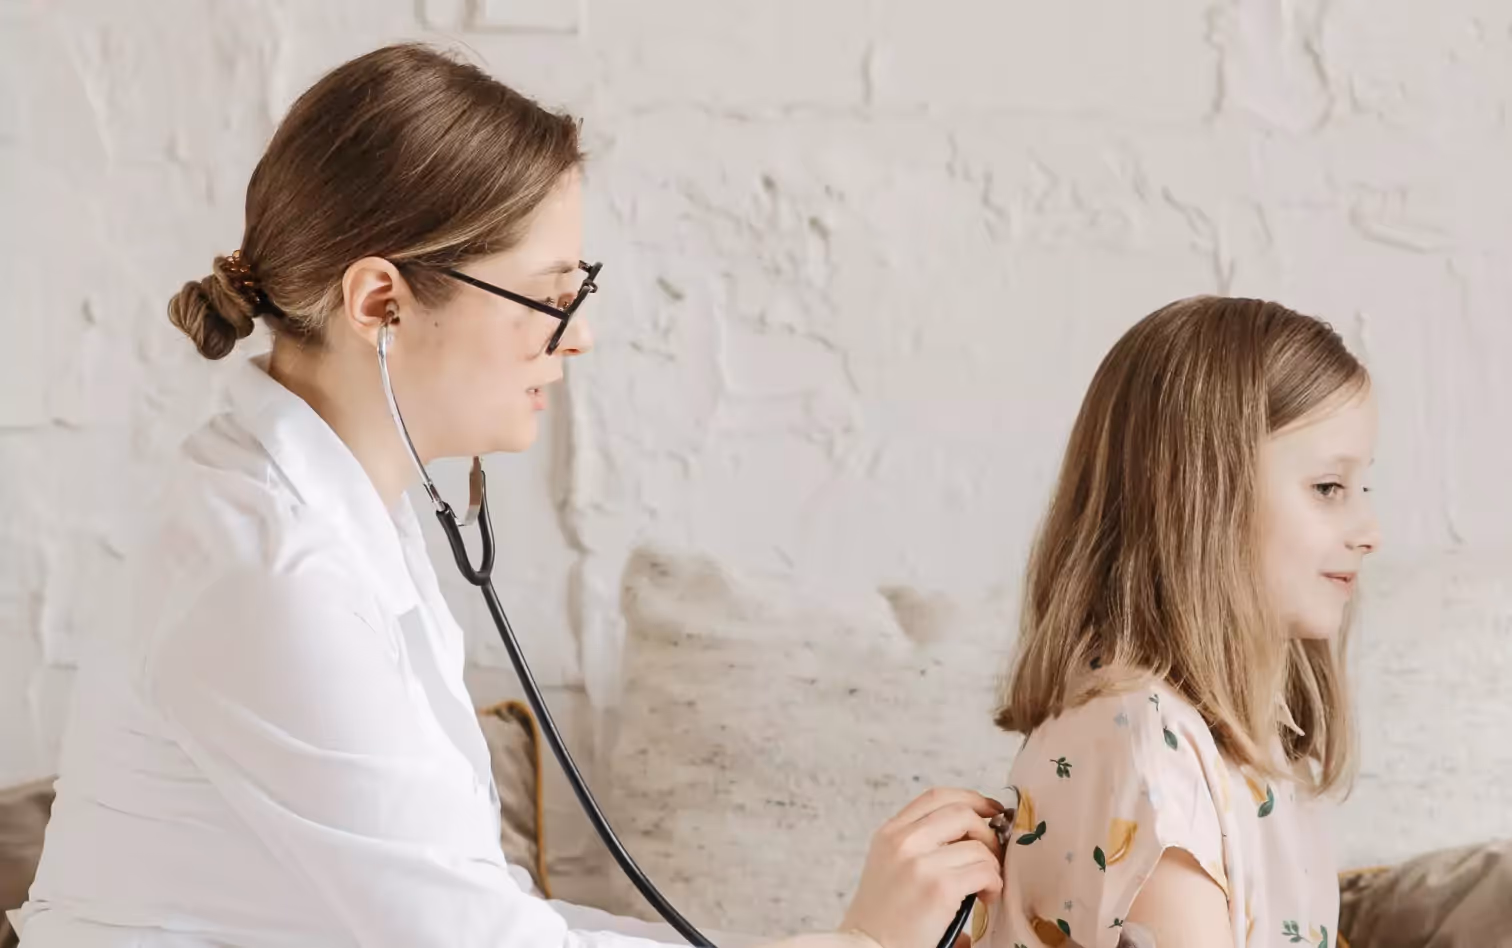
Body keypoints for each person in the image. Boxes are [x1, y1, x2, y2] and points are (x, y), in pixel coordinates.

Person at [14, 43, 1004, 948]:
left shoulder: (341, 521)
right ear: (380, 304)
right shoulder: (271, 576)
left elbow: (489, 915)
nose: (579, 335)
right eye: (549, 292)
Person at [985, 297, 1380, 948]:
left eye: (1364, 488)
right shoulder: (1143, 740)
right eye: (1328, 488)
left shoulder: (1233, 734)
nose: (1370, 533)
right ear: (1201, 494)